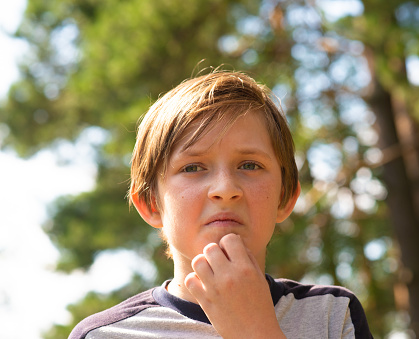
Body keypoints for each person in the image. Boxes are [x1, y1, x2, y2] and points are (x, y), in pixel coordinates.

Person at [69, 70, 373, 339]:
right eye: (192, 167)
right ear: (151, 203)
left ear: (285, 197)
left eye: (250, 165)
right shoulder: (104, 335)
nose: (226, 189)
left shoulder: (333, 315)